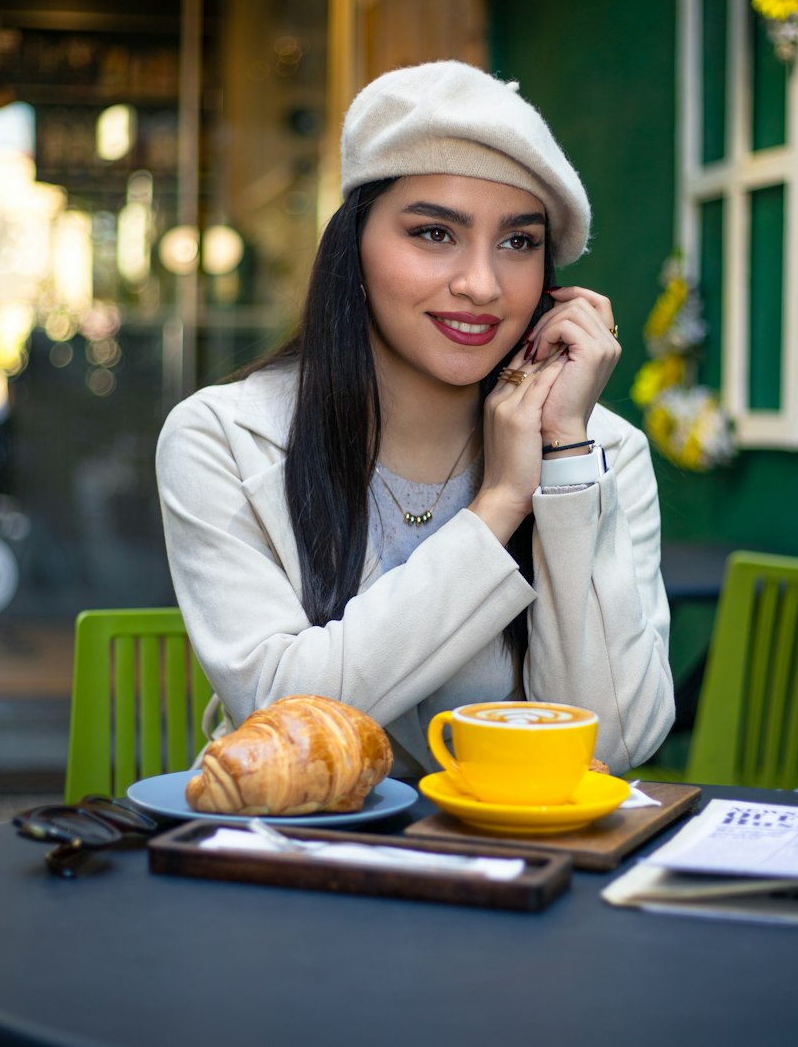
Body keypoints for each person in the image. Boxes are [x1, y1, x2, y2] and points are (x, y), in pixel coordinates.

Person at [156, 61, 674, 778]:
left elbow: (608, 747)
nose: (481, 284)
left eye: (518, 242)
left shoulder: (601, 450)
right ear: (353, 245)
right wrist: (496, 507)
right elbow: (286, 719)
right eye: (434, 233)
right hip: (303, 854)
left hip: (514, 868)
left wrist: (562, 465)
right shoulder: (225, 439)